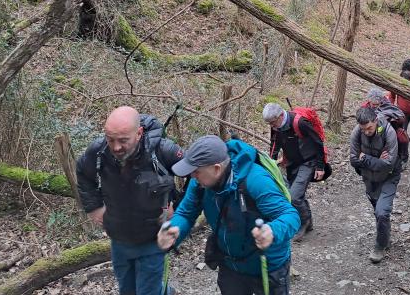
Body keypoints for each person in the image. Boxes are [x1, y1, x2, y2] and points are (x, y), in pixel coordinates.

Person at [158, 135, 299, 295]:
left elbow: (290, 215)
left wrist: (272, 231)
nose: (192, 176)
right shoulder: (199, 184)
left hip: (267, 265)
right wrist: (174, 230)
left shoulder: (256, 180)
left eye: (196, 171)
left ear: (217, 168)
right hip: (230, 264)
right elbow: (185, 213)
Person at [77, 106, 183, 295]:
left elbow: (196, 175)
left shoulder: (163, 150)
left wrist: (178, 209)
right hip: (119, 239)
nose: (116, 147)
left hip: (153, 238)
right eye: (111, 140)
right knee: (127, 290)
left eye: (123, 140)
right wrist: (94, 207)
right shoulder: (98, 151)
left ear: (139, 133)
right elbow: (83, 173)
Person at [262, 102, 325, 241]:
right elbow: (274, 143)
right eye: (269, 124)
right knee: (296, 193)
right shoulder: (276, 127)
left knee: (294, 196)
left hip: (308, 162)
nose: (272, 126)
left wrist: (320, 166)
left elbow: (318, 142)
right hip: (291, 163)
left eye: (273, 123)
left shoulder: (300, 122)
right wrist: (271, 163)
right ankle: (308, 222)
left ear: (280, 116)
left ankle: (303, 223)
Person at [349, 106, 402, 263]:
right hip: (369, 178)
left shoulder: (389, 132)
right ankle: (385, 236)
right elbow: (353, 160)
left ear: (375, 121)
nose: (366, 132)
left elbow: (389, 164)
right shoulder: (357, 133)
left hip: (389, 177)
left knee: (381, 212)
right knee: (377, 210)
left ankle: (380, 246)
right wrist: (377, 159)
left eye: (369, 128)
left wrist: (365, 158)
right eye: (363, 129)